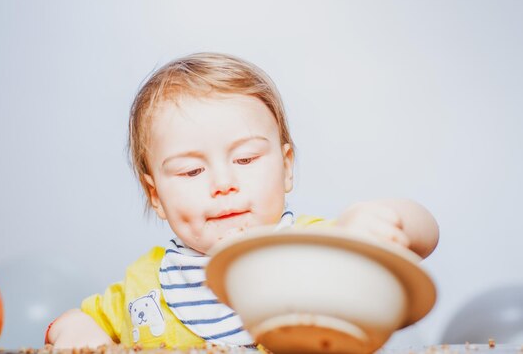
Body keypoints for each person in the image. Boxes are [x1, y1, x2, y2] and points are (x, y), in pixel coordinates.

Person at [45, 52, 439, 350]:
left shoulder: (322, 251)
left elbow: (426, 236)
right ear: (155, 195)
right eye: (191, 171)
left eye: (246, 159)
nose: (223, 183)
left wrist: (381, 221)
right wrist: (80, 336)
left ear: (286, 168)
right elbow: (71, 321)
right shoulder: (145, 284)